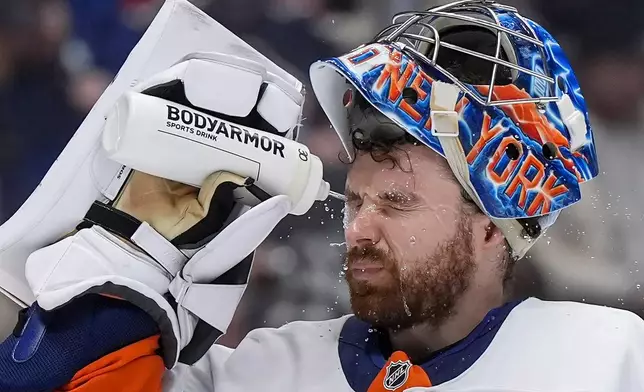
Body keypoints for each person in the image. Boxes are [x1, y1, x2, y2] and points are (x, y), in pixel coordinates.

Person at [1, 1, 643, 391]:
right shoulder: (256, 374)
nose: (360, 229)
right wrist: (126, 271)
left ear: (490, 227)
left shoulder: (611, 360)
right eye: (358, 202)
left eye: (395, 202)